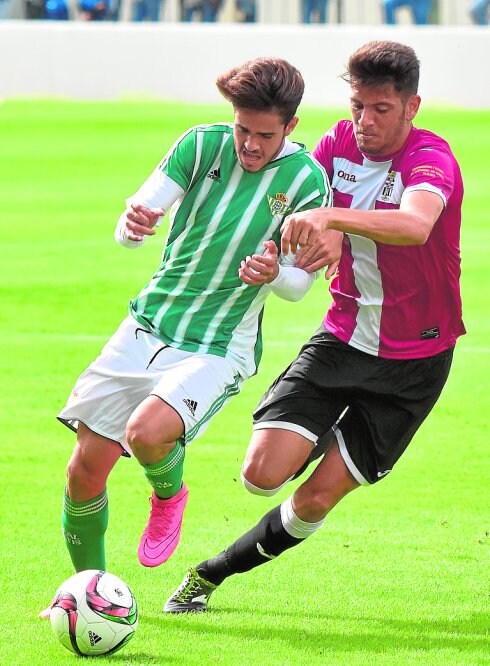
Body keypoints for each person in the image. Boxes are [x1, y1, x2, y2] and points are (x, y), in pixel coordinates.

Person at [164, 39, 465, 614]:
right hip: (342, 337)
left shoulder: (431, 159)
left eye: (381, 109)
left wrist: (330, 217)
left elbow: (415, 223)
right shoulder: (334, 146)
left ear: (412, 107)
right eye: (357, 105)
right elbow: (293, 202)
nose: (365, 120)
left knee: (316, 498)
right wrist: (279, 256)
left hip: (416, 363)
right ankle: (329, 433)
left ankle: (211, 575)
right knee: (259, 475)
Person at [39, 57, 338, 617]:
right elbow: (136, 223)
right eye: (242, 128)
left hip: (217, 344)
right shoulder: (199, 146)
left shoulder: (306, 182)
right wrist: (132, 226)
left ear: (291, 127)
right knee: (84, 470)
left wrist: (274, 273)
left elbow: (299, 286)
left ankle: (169, 494)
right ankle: (94, 598)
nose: (250, 144)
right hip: (146, 325)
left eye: (264, 134)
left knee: (148, 432)